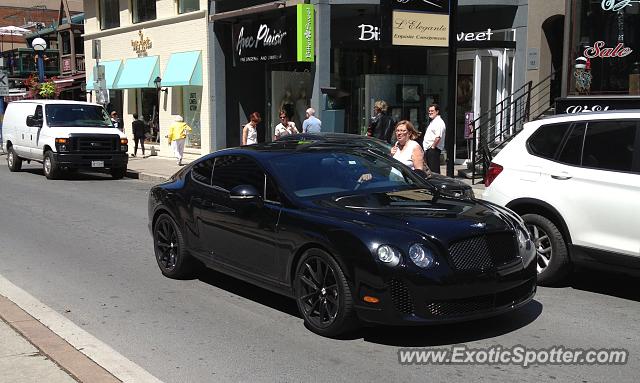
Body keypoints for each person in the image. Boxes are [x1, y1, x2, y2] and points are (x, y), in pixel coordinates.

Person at [423, 104, 446, 174]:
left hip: (433, 150)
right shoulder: (433, 121)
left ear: (437, 111)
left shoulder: (439, 122)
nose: (430, 112)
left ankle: (437, 184)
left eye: (432, 111)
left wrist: (432, 147)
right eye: (429, 111)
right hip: (430, 149)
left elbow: (438, 137)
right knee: (430, 170)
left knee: (434, 171)